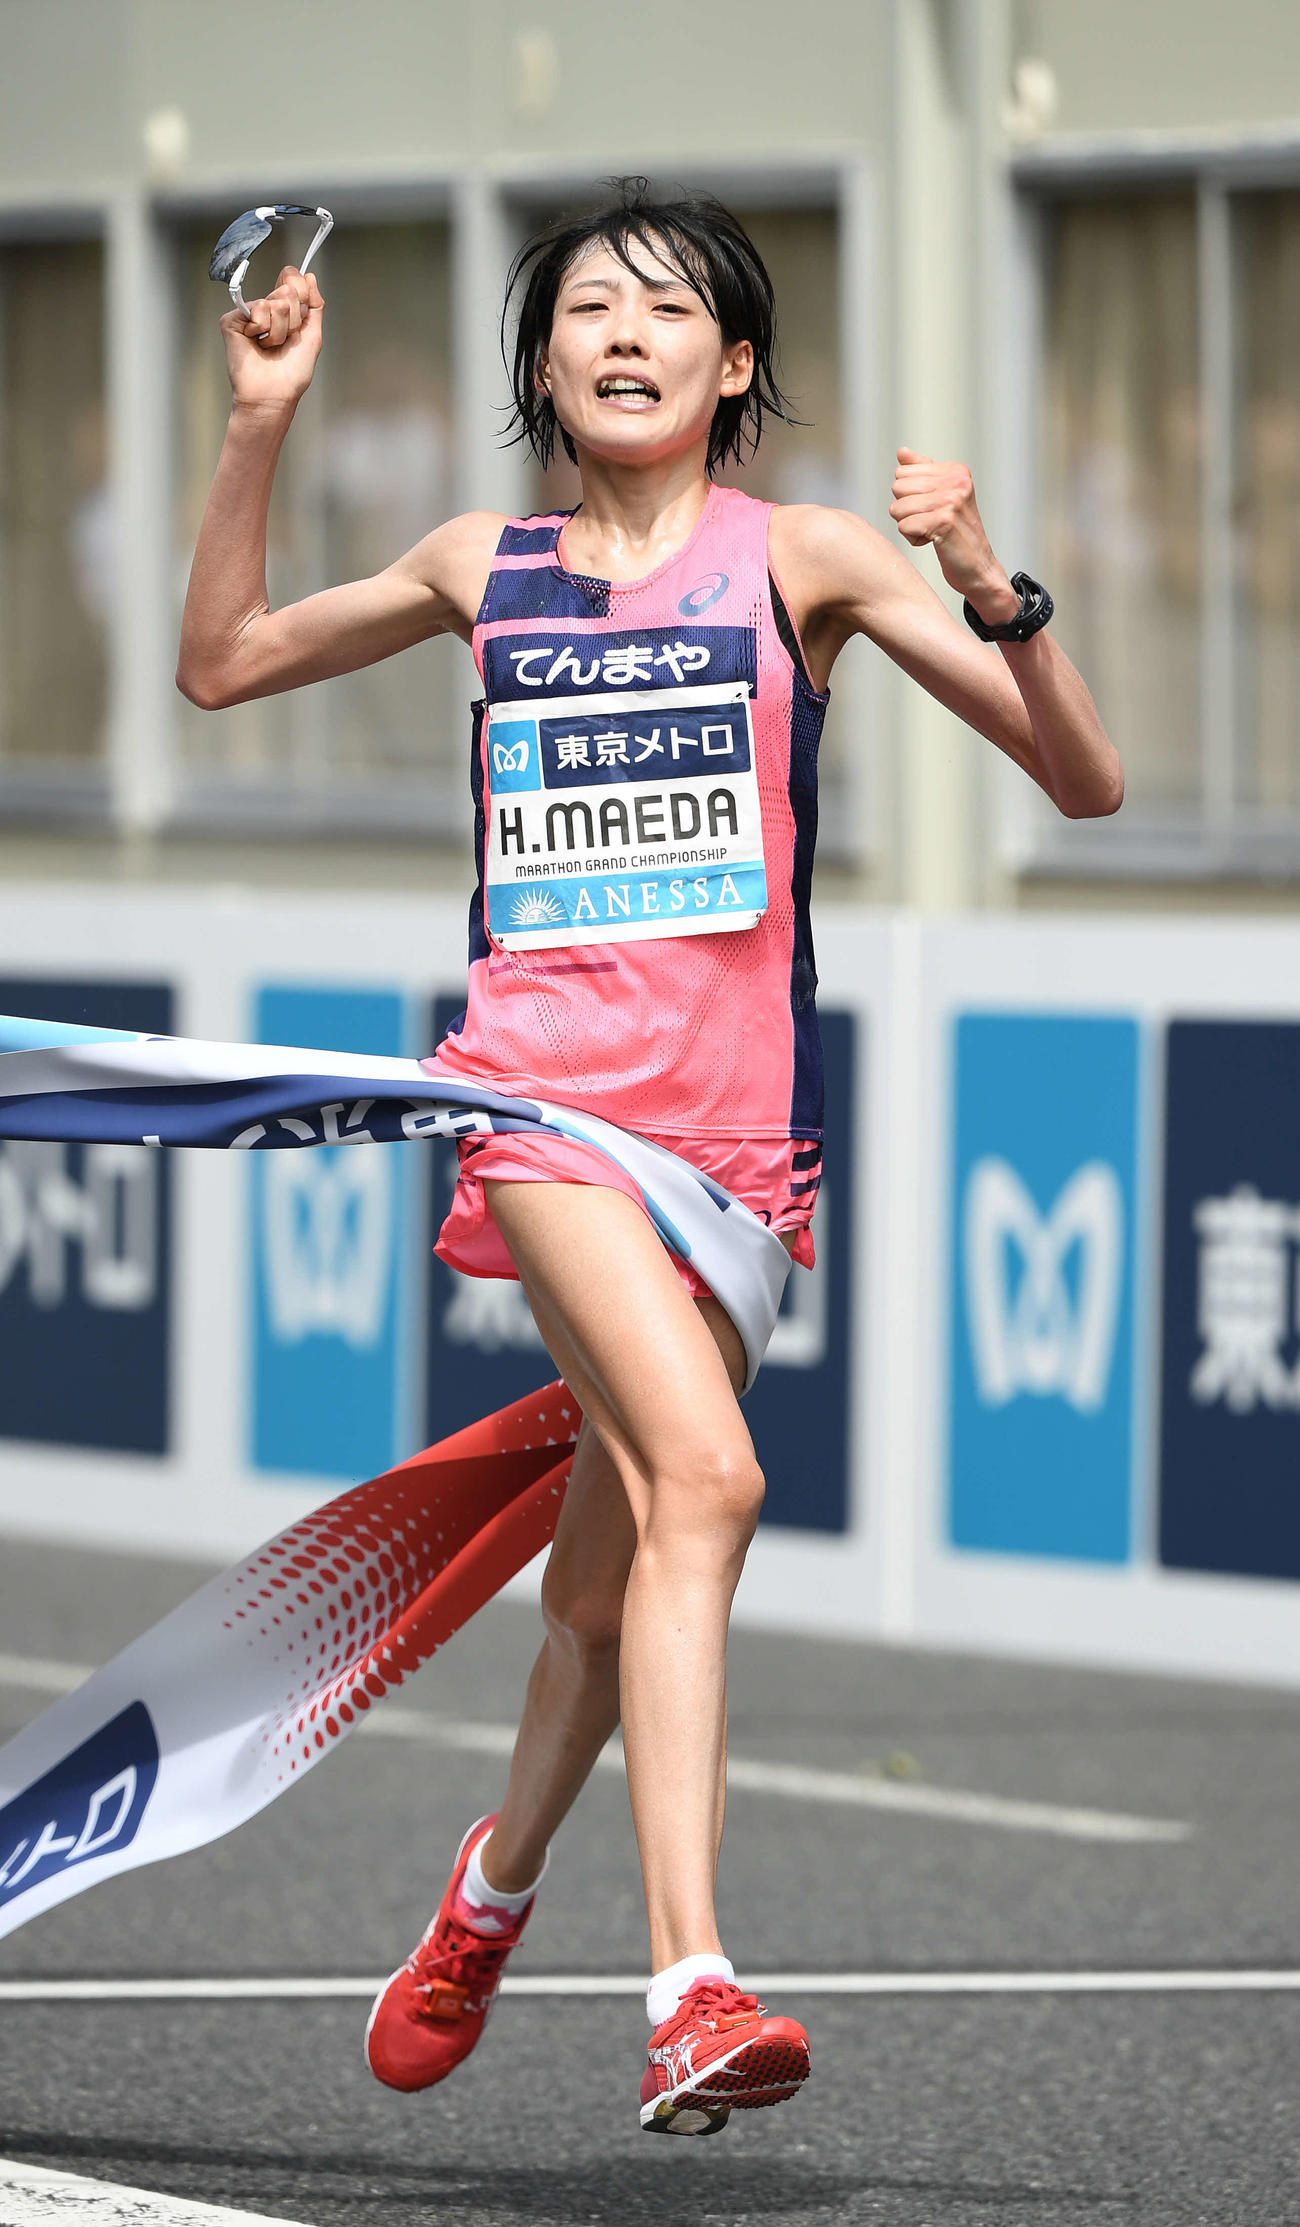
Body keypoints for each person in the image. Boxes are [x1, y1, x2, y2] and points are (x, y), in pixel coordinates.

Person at [178, 178, 1122, 2138]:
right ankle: (686, 1983)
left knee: (607, 1596)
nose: (622, 334)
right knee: (708, 1475)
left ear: (735, 365)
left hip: (737, 1159)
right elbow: (220, 663)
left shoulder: (805, 563)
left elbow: (1077, 779)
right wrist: (260, 419)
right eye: (586, 307)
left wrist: (981, 572)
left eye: (667, 311)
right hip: (537, 1107)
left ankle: (484, 1891)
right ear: (543, 360)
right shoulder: (479, 563)